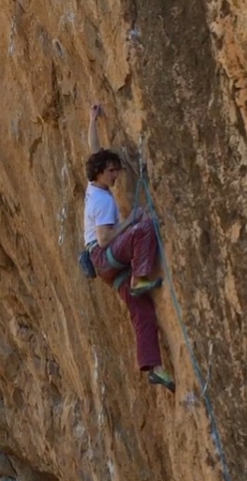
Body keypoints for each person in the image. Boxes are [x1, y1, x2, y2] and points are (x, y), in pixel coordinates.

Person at [83, 104, 175, 393]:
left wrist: (92, 120)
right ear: (100, 173)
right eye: (112, 171)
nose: (116, 176)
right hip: (105, 256)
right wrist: (131, 220)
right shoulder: (102, 201)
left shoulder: (93, 186)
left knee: (142, 312)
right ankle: (141, 277)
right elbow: (105, 240)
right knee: (143, 227)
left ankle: (155, 368)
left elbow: (93, 151)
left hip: (109, 268)